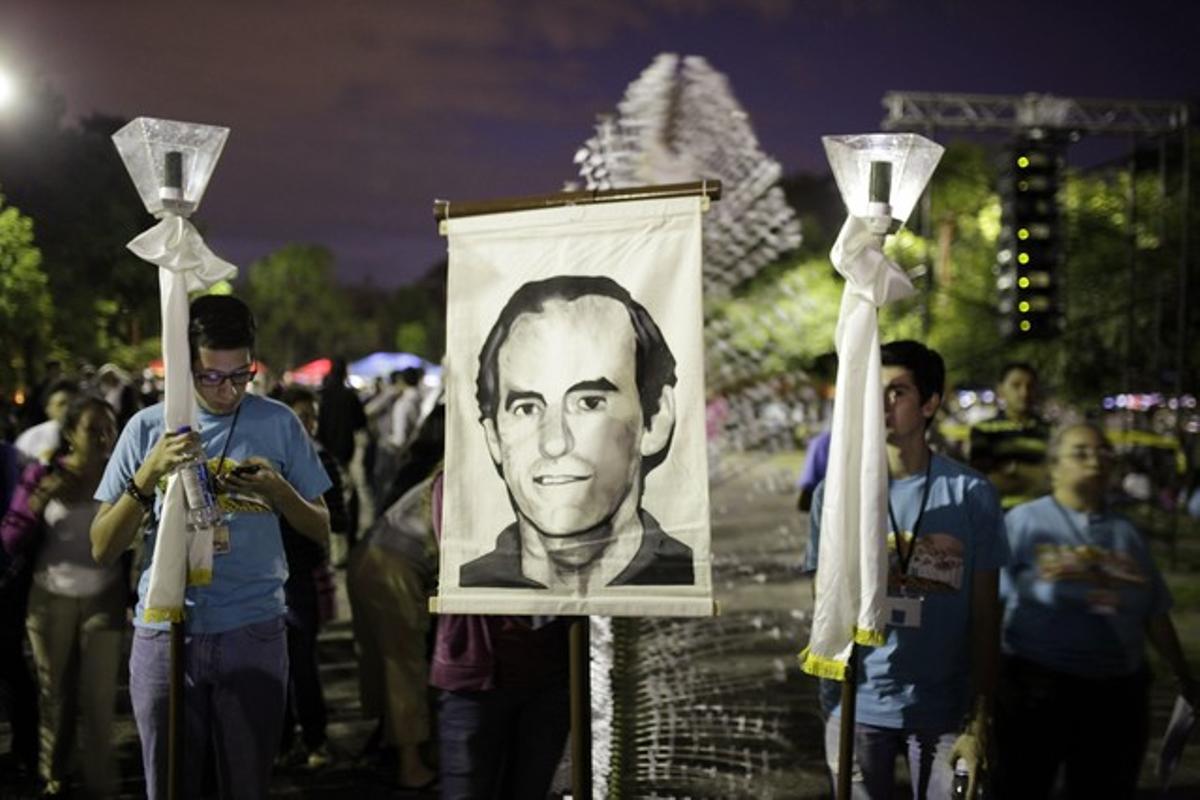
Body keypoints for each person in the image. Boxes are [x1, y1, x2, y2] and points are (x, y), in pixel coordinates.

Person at [90, 294, 332, 800]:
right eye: (210, 377)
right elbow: (102, 546)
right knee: (170, 783)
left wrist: (278, 491)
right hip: (165, 628)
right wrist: (147, 474)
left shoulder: (278, 422)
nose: (228, 391)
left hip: (254, 627)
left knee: (246, 784)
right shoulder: (147, 428)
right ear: (184, 367)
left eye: (241, 375)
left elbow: (320, 530)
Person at [805, 340, 1008, 799]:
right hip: (857, 707)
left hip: (944, 711)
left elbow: (985, 614)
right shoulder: (836, 495)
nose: (881, 404)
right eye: (873, 391)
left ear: (930, 402)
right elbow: (823, 602)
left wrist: (980, 715)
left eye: (897, 392)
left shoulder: (970, 494)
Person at [995, 422, 1199, 799]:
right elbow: (993, 603)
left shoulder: (1127, 534)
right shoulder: (1024, 522)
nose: (1097, 459)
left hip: (1117, 697)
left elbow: (1154, 611)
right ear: (1054, 466)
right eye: (1081, 452)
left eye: (1104, 451)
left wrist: (1183, 675)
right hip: (1036, 691)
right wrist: (981, 682)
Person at [460, 275, 693, 591]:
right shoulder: (471, 593)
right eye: (527, 408)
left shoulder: (686, 582)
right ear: (493, 437)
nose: (555, 442)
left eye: (590, 402)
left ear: (655, 420)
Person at [2, 396, 123, 797]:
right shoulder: (42, 473)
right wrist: (40, 499)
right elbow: (9, 537)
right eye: (93, 429)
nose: (105, 436)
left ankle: (101, 781)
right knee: (57, 694)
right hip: (50, 596)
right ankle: (55, 775)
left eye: (109, 427)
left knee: (99, 694)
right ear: (70, 434)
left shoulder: (122, 474)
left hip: (103, 596)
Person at [431, 470, 572, 798]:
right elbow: (462, 557)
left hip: (549, 677)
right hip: (475, 681)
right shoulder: (456, 478)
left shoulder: (565, 477)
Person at [348, 473, 439, 791]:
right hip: (394, 569)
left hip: (370, 557)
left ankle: (388, 751)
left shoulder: (434, 478)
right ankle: (410, 766)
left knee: (385, 663)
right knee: (404, 668)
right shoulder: (465, 480)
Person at [276, 386, 349, 770]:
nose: (306, 424)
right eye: (298, 416)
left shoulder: (322, 460)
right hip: (270, 574)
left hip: (302, 573)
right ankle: (282, 739)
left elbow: (335, 519)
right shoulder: (269, 458)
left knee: (302, 661)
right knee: (275, 662)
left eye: (311, 417)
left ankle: (316, 738)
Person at [0, 439, 39, 792]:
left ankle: (27, 754)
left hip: (4, 579)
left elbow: (13, 521)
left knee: (11, 668)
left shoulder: (6, 455)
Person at [968, 362, 1049, 510]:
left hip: (1045, 518)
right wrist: (1037, 476)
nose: (1024, 392)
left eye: (1030, 386)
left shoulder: (1050, 431)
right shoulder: (984, 430)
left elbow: (1057, 478)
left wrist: (1014, 470)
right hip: (1000, 517)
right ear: (1001, 390)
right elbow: (983, 481)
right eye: (1016, 385)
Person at [317, 357, 368, 561]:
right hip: (345, 457)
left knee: (327, 501)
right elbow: (361, 424)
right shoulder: (349, 396)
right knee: (346, 501)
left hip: (323, 456)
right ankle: (346, 547)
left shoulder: (322, 396)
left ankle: (332, 550)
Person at [14, 379, 80, 464]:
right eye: (61, 404)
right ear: (47, 409)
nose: (67, 409)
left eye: (73, 404)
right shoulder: (29, 439)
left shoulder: (93, 436)